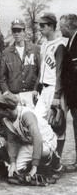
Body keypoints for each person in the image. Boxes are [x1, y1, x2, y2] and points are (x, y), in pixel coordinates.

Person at [0, 93, 62, 184]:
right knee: (16, 171)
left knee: (44, 151)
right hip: (28, 143)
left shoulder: (26, 115)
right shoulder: (6, 118)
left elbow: (38, 139)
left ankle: (54, 160)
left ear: (7, 111)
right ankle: (37, 166)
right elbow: (11, 141)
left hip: (46, 140)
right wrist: (13, 162)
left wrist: (34, 167)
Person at [34, 12, 67, 157]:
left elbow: (60, 73)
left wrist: (57, 96)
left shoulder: (60, 45)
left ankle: (57, 160)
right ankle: (47, 156)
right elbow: (42, 70)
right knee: (37, 121)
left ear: (52, 27)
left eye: (43, 26)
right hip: (43, 89)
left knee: (57, 125)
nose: (40, 28)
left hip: (55, 89)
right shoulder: (44, 44)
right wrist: (36, 88)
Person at [0, 19, 41, 108]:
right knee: (16, 121)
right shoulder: (6, 52)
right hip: (14, 95)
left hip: (31, 94)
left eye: (19, 30)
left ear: (24, 31)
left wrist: (36, 89)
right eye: (14, 31)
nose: (16, 33)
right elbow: (2, 76)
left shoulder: (35, 49)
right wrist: (6, 92)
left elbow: (40, 72)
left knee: (32, 120)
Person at [60, 14, 77, 171]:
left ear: (70, 26)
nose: (60, 28)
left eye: (62, 26)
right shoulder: (69, 43)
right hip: (73, 96)